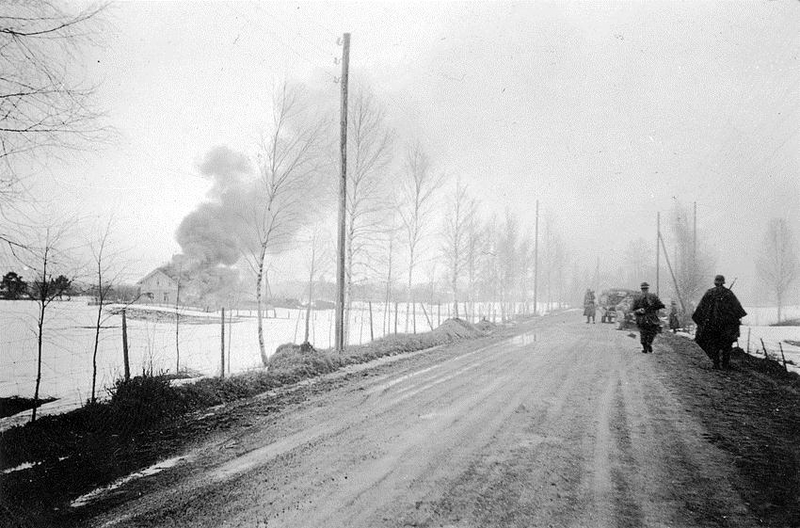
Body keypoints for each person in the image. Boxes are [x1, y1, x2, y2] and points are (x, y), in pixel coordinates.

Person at [692, 275, 747, 369]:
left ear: (715, 282)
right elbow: (738, 310)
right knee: (727, 346)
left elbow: (700, 310)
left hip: (712, 326)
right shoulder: (729, 294)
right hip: (726, 327)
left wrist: (702, 322)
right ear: (723, 282)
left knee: (713, 344)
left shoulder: (709, 293)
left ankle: (716, 363)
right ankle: (725, 365)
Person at [632, 282, 664, 353]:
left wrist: (639, 310)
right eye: (644, 289)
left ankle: (645, 347)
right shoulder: (652, 296)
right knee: (652, 332)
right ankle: (648, 344)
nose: (645, 290)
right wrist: (640, 310)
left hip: (642, 319)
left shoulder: (637, 297)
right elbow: (661, 305)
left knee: (643, 333)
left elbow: (633, 309)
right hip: (651, 319)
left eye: (644, 289)